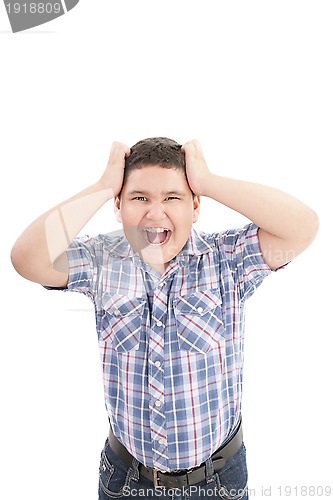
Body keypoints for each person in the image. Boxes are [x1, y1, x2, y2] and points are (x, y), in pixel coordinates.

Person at [11, 137, 319, 500]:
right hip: (126, 480)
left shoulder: (225, 260)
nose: (155, 214)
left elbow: (302, 227)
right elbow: (27, 259)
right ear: (118, 205)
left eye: (172, 198)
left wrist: (207, 180)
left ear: (195, 206)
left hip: (218, 481)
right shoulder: (101, 261)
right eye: (139, 198)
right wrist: (101, 186)